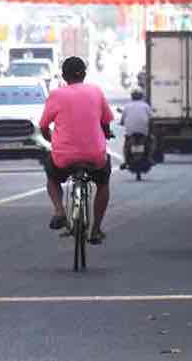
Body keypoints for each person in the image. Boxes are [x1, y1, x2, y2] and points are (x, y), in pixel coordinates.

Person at [38, 56, 114, 244]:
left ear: (63, 76)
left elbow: (43, 125)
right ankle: (95, 229)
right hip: (94, 155)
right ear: (85, 74)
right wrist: (105, 133)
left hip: (63, 157)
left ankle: (59, 211)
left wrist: (51, 139)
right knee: (103, 182)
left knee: (52, 177)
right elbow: (105, 121)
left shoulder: (56, 95)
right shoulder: (96, 92)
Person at [119, 88, 154, 168]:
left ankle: (125, 161)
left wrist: (122, 123)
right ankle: (149, 158)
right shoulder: (145, 106)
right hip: (143, 131)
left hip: (131, 132)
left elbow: (122, 120)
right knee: (151, 141)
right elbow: (151, 118)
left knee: (126, 145)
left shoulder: (127, 106)